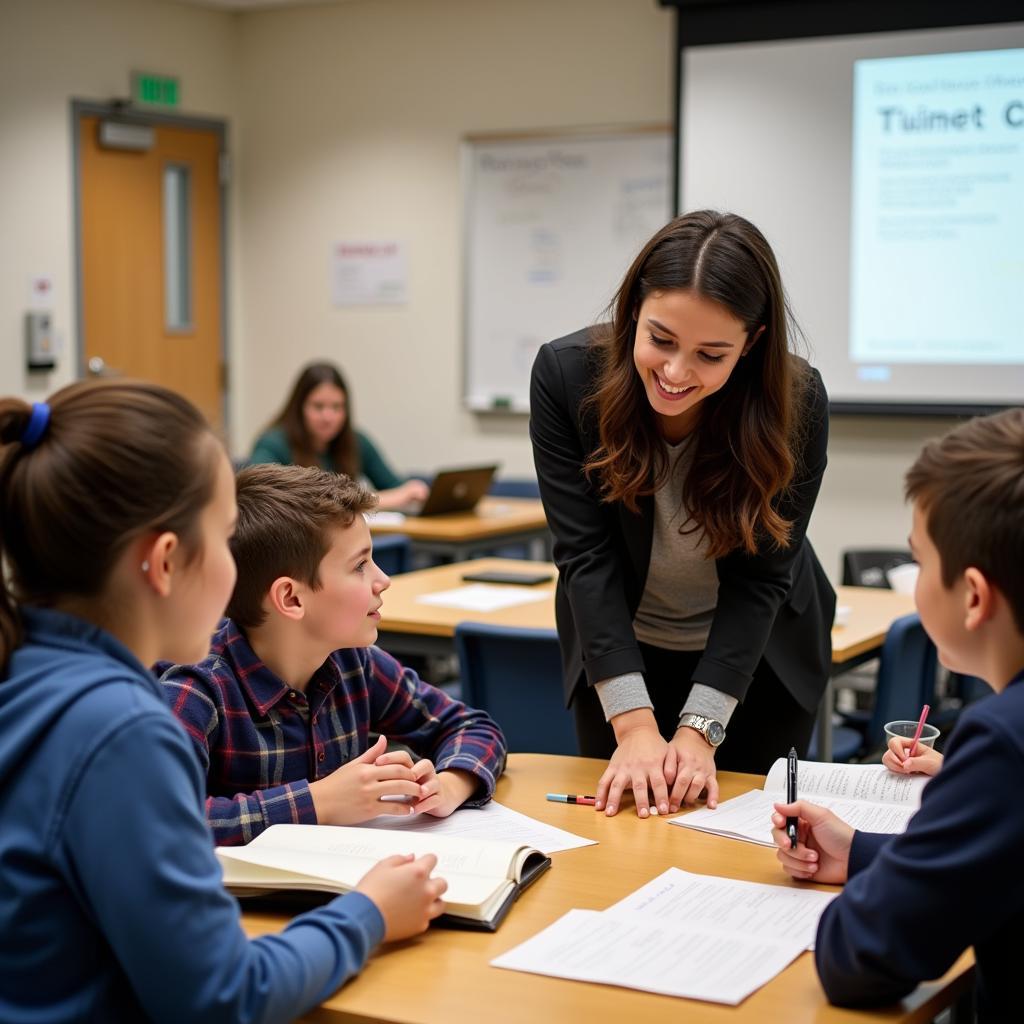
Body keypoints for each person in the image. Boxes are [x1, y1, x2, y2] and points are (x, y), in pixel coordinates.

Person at [0, 381, 447, 1023]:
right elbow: (223, 998)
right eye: (226, 535)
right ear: (165, 562)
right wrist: (369, 912)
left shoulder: (29, 670)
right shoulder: (122, 729)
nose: (240, 571)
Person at [530, 210, 834, 819]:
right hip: (618, 651)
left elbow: (763, 578)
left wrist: (701, 728)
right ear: (632, 311)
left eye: (710, 355)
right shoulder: (566, 378)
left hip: (757, 662)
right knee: (622, 832)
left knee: (744, 846)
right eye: (661, 340)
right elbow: (585, 559)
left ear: (752, 344)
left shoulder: (794, 403)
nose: (675, 373)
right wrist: (634, 722)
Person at [770, 409, 1024, 1019]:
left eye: (919, 562)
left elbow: (861, 956)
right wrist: (860, 852)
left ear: (971, 596)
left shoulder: (1001, 744)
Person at [160, 463, 507, 846]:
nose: (383, 579)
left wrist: (450, 783)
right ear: (291, 598)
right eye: (360, 565)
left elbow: (470, 726)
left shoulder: (351, 661)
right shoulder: (196, 689)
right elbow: (161, 823)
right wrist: (318, 802)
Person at [250, 361, 428, 511]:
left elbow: (393, 485)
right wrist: (372, 501)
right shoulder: (273, 444)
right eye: (318, 407)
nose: (328, 417)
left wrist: (412, 490)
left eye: (337, 407)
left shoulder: (356, 442)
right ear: (299, 408)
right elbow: (255, 495)